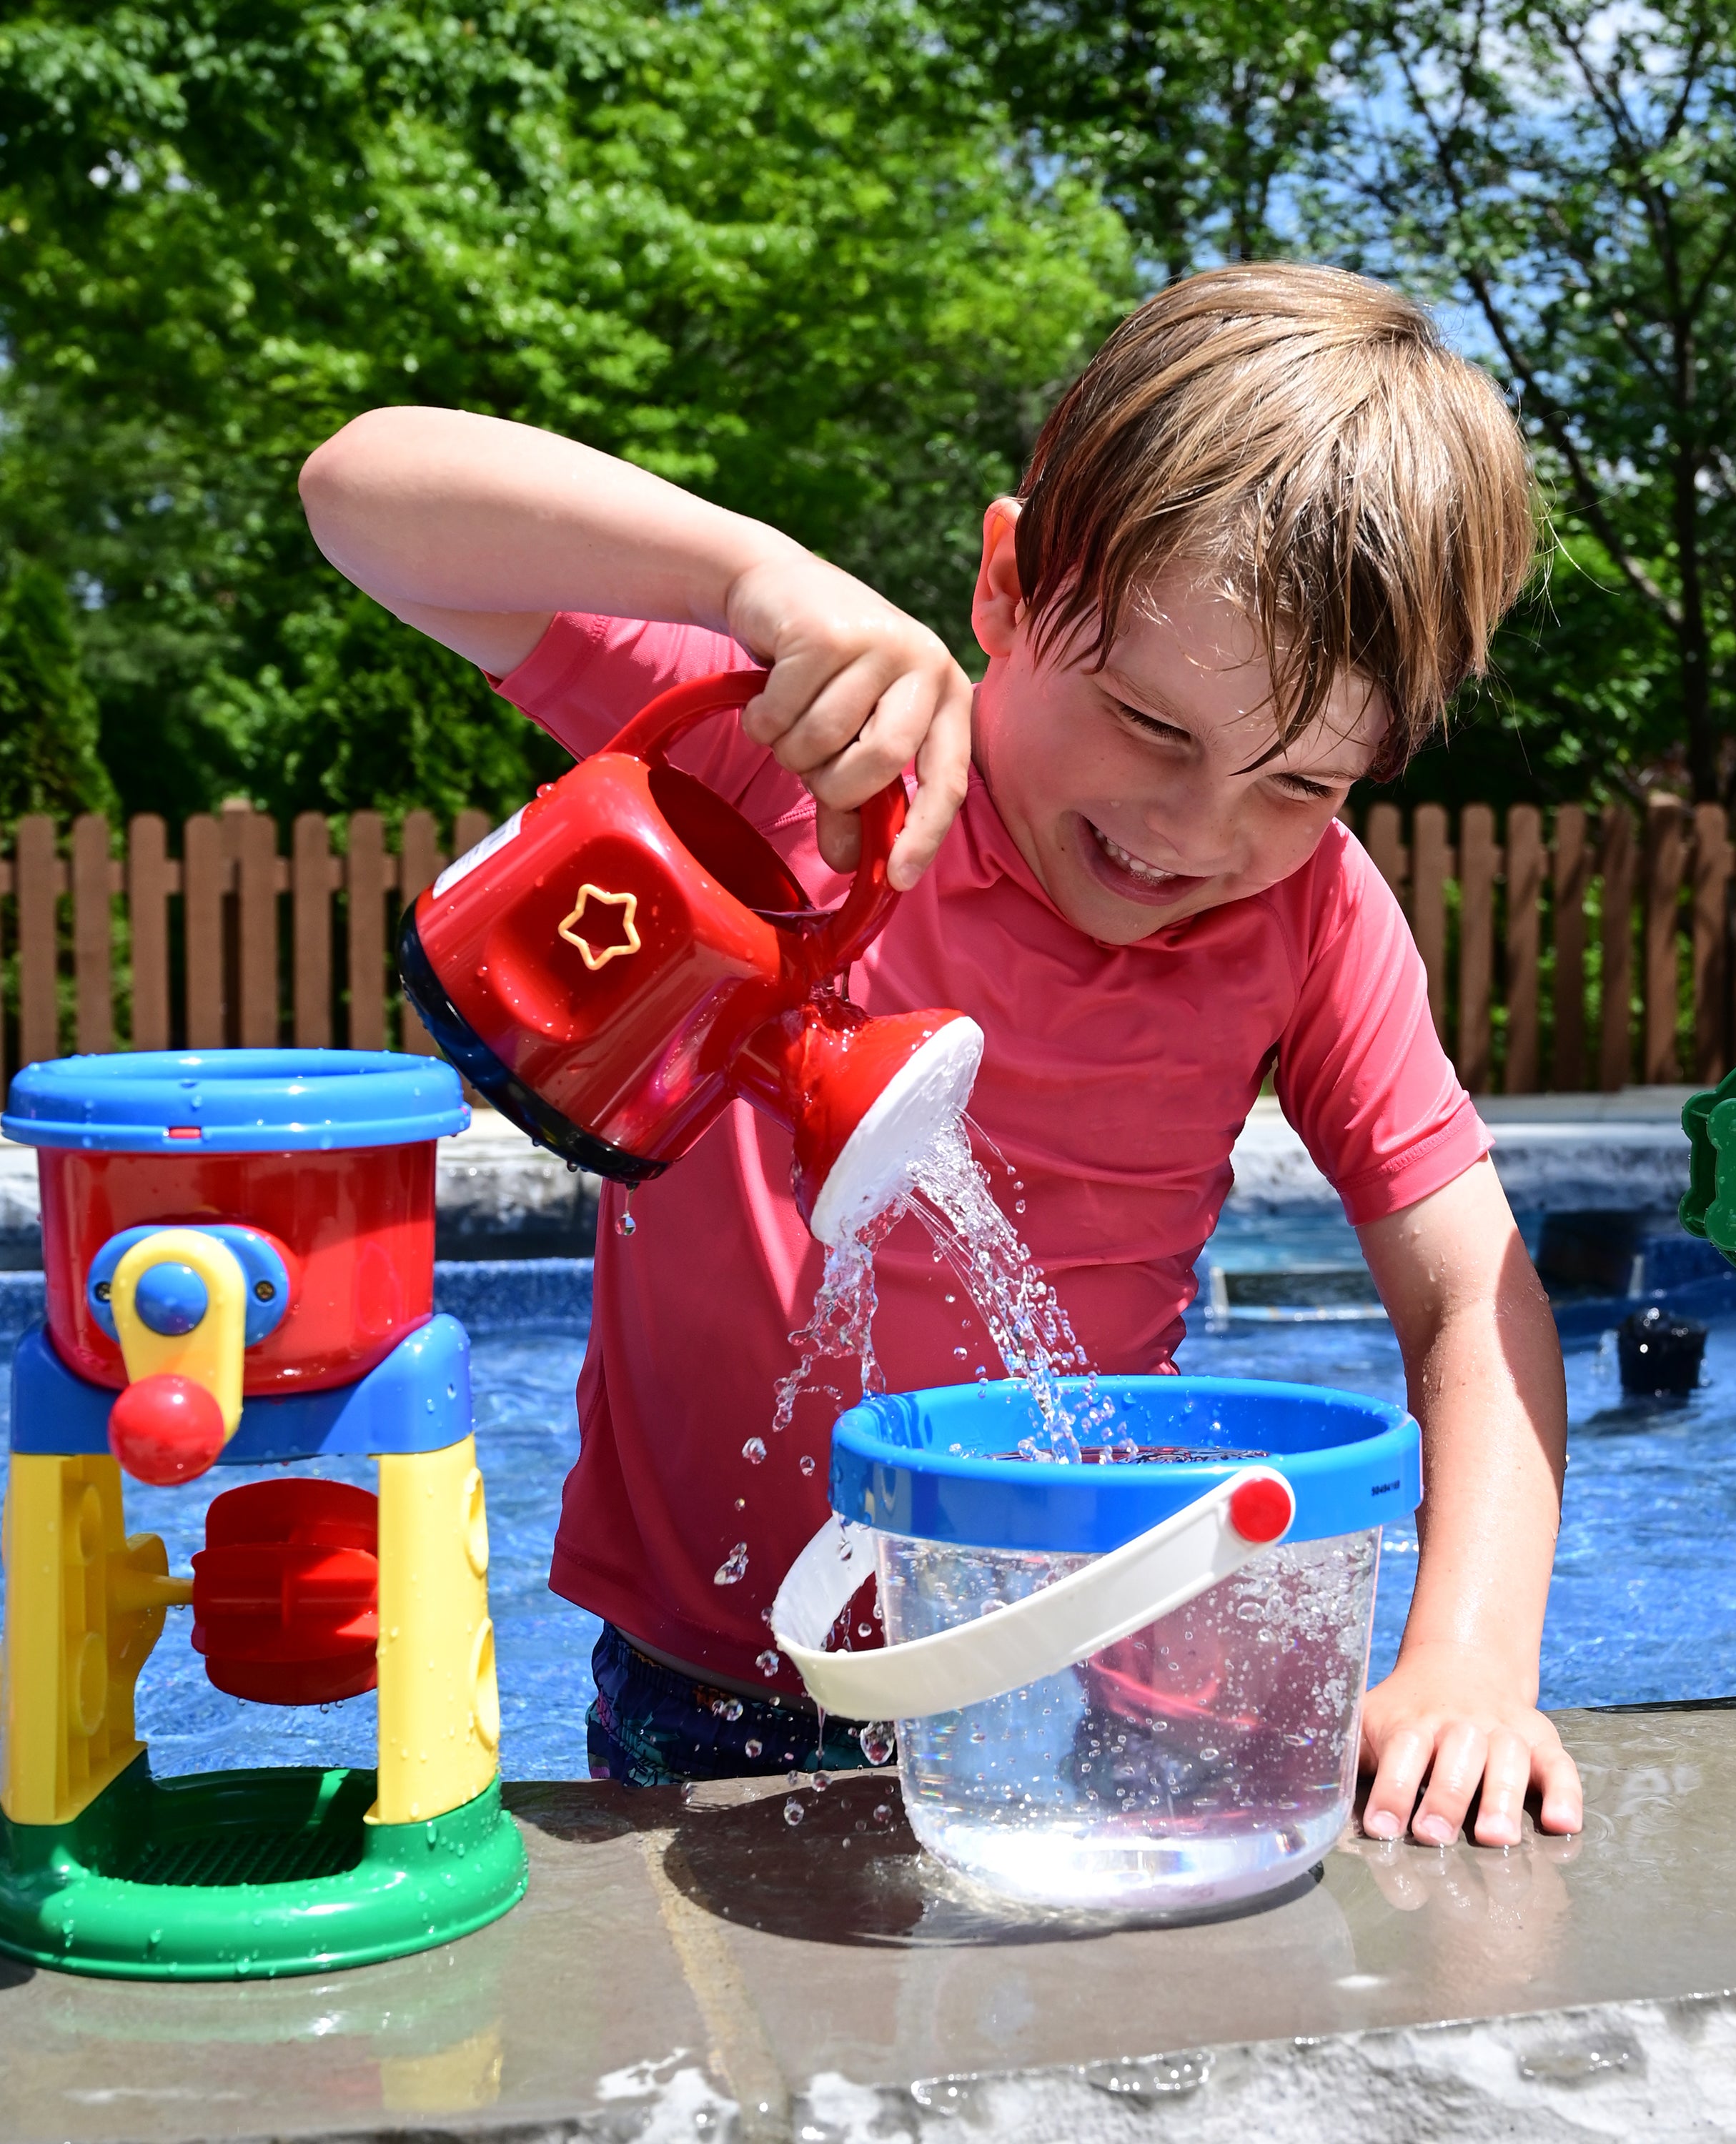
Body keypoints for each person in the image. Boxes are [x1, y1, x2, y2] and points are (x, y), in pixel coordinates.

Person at [300, 262, 1583, 1849]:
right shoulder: (813, 753)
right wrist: (746, 574)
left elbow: (1474, 1290)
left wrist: (1466, 1658)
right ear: (1004, 588)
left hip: (1095, 1645)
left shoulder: (1311, 917)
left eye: (1302, 779)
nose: (1199, 827)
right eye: (1150, 724)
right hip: (720, 1668)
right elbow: (359, 494)